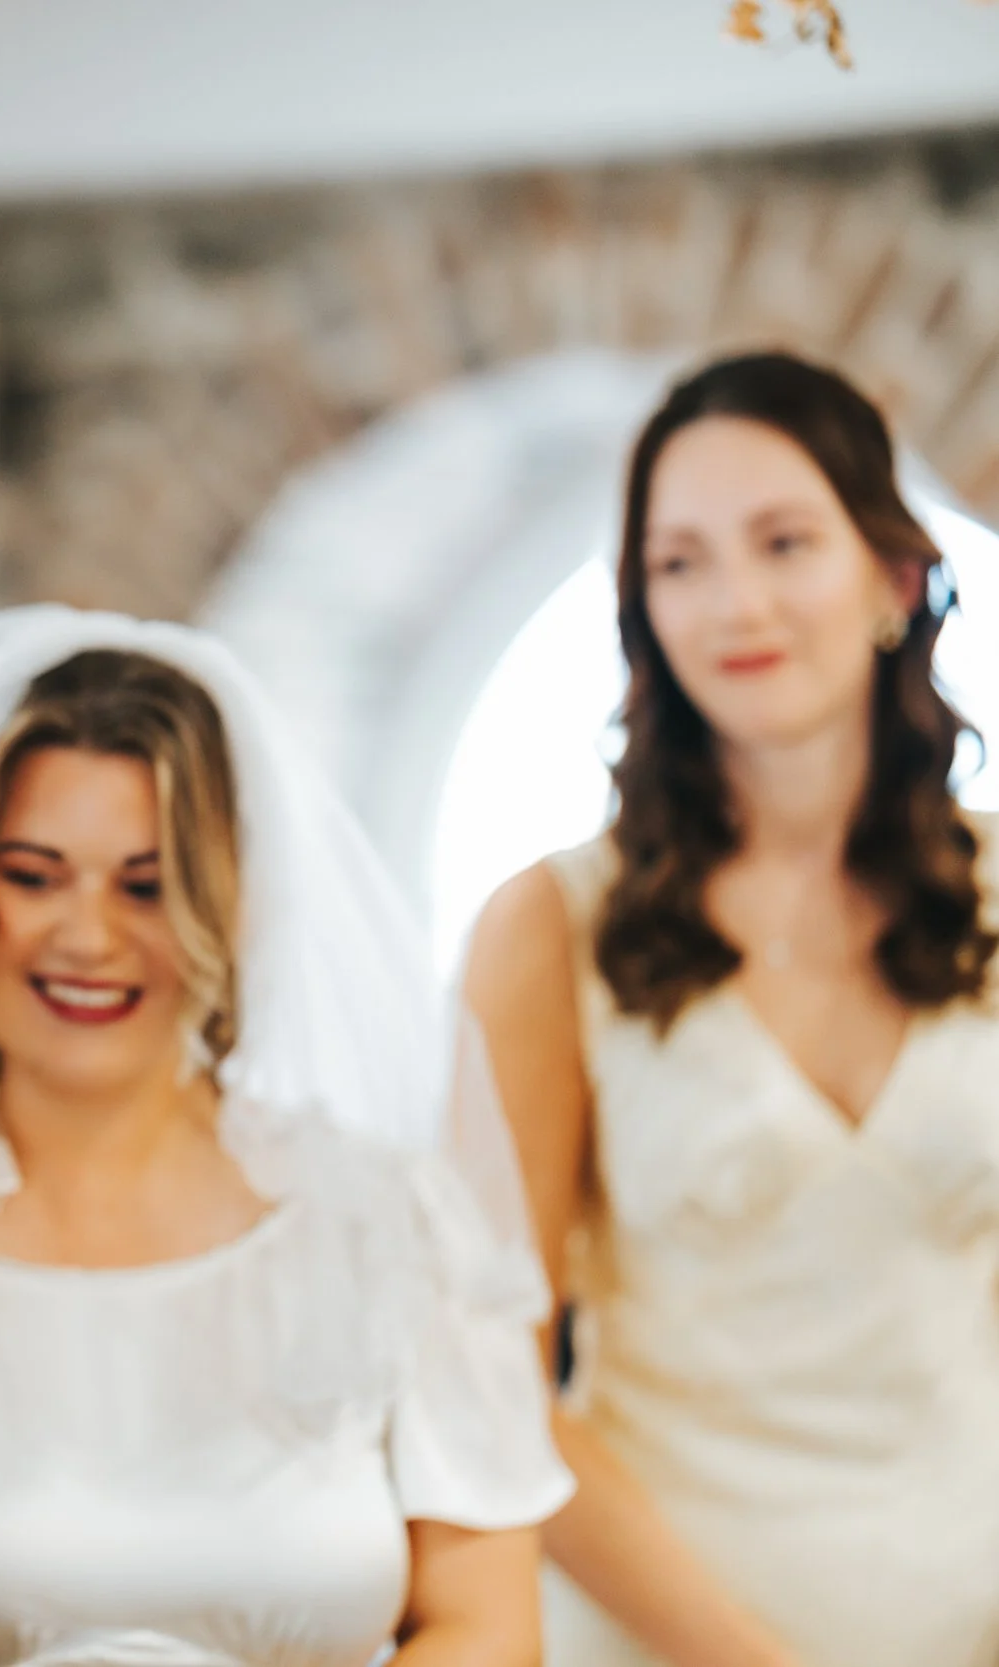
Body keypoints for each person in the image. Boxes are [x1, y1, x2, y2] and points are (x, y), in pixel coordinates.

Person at [0, 608, 573, 1667]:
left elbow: (482, 1621)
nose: (86, 935)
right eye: (32, 874)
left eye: (147, 885)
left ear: (226, 900)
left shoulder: (388, 1220)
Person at [465, 352, 999, 1667]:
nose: (735, 601)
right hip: (661, 1637)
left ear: (889, 573)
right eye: (680, 561)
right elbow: (491, 1378)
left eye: (783, 541)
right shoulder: (551, 925)